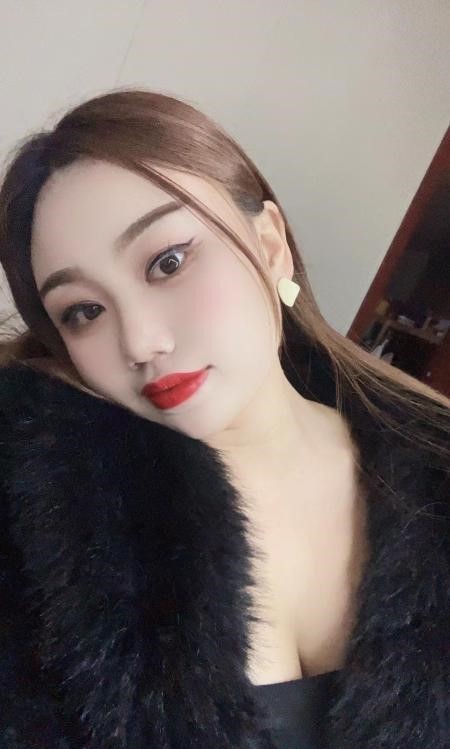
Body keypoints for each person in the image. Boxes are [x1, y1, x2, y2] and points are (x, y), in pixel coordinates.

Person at [0, 89, 448, 749]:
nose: (140, 341)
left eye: (168, 262)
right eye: (83, 311)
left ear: (269, 245)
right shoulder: (44, 545)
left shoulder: (433, 467)